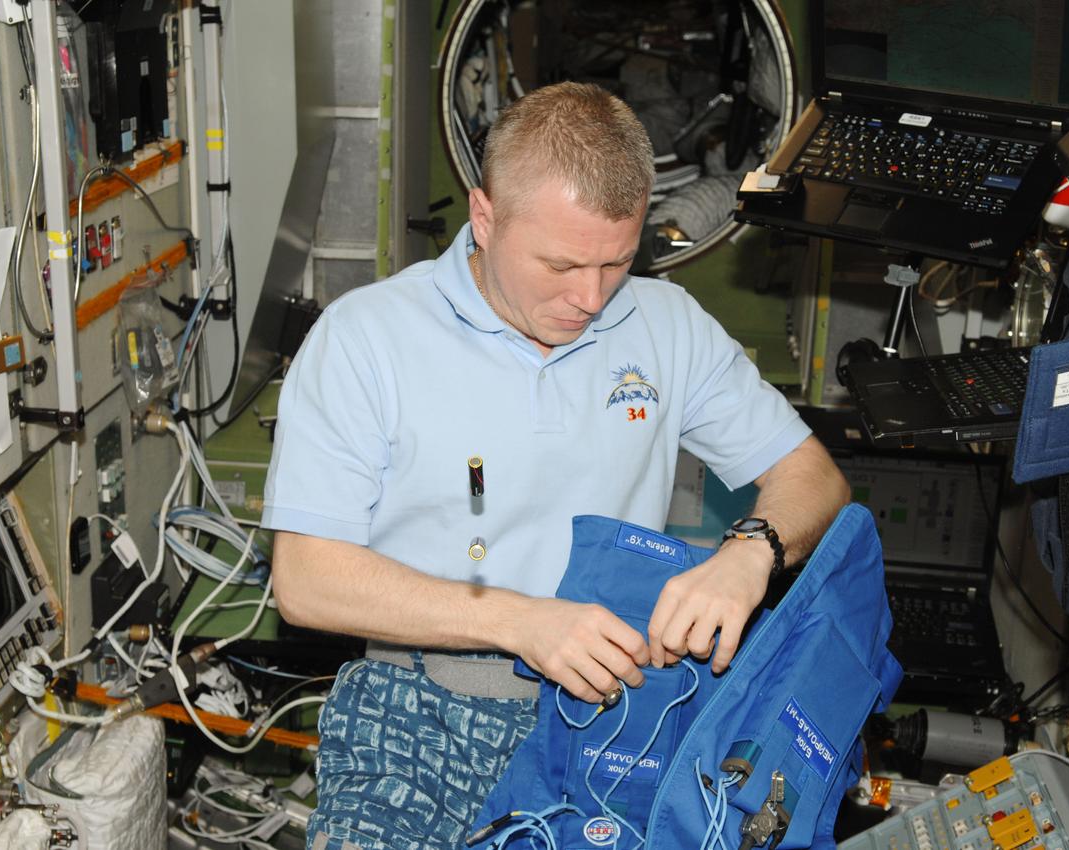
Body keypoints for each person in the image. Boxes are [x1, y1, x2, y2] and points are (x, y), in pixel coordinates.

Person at [262, 81, 849, 849]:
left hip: (615, 716)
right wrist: (521, 621)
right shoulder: (366, 339)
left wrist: (750, 554)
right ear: (484, 218)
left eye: (616, 262)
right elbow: (306, 579)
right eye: (561, 264)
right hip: (416, 706)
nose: (591, 297)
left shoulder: (668, 327)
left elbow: (814, 478)